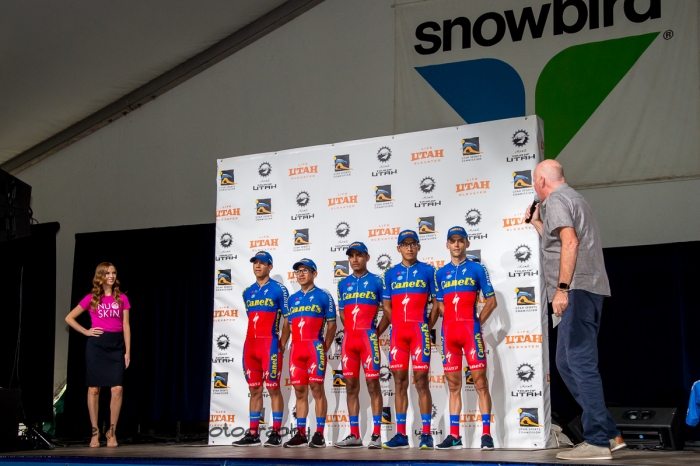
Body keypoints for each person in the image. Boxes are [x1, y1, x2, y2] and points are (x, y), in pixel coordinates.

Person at [525, 159, 625, 461]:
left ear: (542, 181)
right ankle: (609, 433)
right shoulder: (574, 197)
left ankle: (596, 442)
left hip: (577, 289)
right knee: (566, 363)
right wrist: (537, 224)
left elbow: (570, 243)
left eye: (533, 183)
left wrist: (562, 289)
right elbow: (559, 243)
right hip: (588, 288)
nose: (534, 189)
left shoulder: (555, 199)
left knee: (579, 362)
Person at [433, 226, 497, 450]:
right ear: (447, 244)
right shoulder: (440, 273)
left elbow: (492, 301)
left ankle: (486, 435)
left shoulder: (477, 268)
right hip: (449, 333)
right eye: (453, 241)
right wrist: (448, 316)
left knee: (480, 384)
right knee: (453, 387)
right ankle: (454, 436)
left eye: (461, 240)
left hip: (470, 332)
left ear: (467, 244)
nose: (457, 244)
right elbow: (439, 303)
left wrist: (477, 321)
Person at [381, 230, 439, 450]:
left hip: (419, 331)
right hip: (398, 333)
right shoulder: (390, 273)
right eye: (404, 245)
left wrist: (426, 326)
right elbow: (386, 305)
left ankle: (426, 434)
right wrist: (395, 321)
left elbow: (436, 303)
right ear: (398, 249)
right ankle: (401, 434)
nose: (409, 248)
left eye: (413, 244)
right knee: (399, 383)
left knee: (422, 381)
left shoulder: (428, 271)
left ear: (418, 247)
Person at [65, 262, 131, 448]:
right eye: (107, 273)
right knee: (94, 389)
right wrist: (86, 331)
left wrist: (128, 351)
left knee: (117, 388)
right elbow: (69, 318)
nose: (111, 275)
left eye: (113, 272)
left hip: (116, 345)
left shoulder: (122, 298)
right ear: (100, 276)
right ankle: (95, 431)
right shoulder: (91, 298)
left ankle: (112, 431)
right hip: (97, 347)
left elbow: (126, 326)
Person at [233, 251, 290, 447]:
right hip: (251, 345)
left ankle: (275, 432)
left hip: (269, 344)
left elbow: (287, 320)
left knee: (273, 388)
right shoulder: (247, 292)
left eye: (262, 263)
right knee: (254, 389)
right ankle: (253, 433)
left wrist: (281, 342)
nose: (258, 266)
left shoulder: (279, 289)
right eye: (255, 263)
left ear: (270, 267)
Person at [334, 242, 386, 449]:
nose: (355, 259)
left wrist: (374, 333)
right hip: (349, 340)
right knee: (351, 388)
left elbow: (388, 312)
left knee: (374, 386)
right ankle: (354, 434)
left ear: (367, 257)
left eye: (359, 255)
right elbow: (343, 313)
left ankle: (376, 434)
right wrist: (351, 331)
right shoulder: (342, 284)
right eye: (351, 256)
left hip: (368, 339)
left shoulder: (377, 281)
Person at [281, 258, 337, 448]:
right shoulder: (292, 298)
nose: (301, 274)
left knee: (317, 390)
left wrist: (324, 346)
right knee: (299, 392)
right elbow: (287, 325)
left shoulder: (324, 296)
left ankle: (319, 433)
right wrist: (282, 344)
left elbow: (332, 325)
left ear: (314, 274)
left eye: (305, 270)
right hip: (296, 349)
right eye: (298, 271)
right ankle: (301, 433)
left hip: (314, 348)